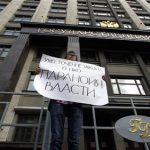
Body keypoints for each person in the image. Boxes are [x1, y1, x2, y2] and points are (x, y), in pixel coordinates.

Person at [35, 51, 83, 150]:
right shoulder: (56, 68)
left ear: (76, 58)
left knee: (75, 140)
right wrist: (40, 73)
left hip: (75, 106)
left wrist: (100, 80)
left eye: (73, 55)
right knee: (56, 138)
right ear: (64, 59)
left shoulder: (83, 71)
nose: (71, 56)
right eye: (69, 54)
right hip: (57, 104)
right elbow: (45, 78)